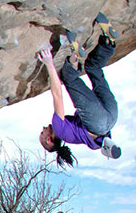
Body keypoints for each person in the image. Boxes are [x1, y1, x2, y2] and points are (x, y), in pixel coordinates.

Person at [37, 12, 121, 168]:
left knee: (93, 68)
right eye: (43, 133)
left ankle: (108, 43)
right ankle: (74, 56)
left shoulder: (77, 137)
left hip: (112, 118)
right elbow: (57, 95)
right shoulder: (59, 129)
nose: (43, 129)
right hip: (98, 122)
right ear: (50, 139)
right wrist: (49, 63)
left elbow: (97, 139)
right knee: (68, 79)